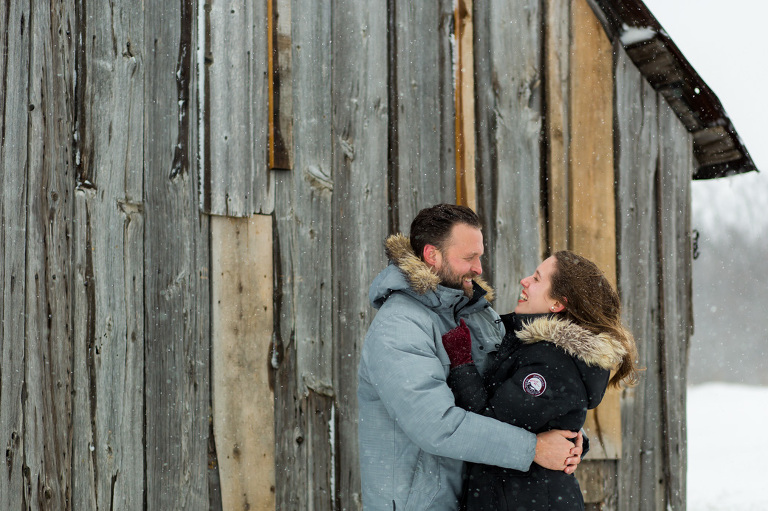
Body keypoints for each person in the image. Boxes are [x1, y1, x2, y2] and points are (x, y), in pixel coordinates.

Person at [357, 204, 584, 511]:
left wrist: (566, 433)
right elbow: (436, 426)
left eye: (480, 255)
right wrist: (534, 448)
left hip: (474, 498)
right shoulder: (399, 327)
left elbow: (509, 392)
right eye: (469, 258)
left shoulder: (475, 313)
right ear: (431, 256)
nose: (479, 268)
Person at [442, 251, 640, 510]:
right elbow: (537, 417)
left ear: (557, 304)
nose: (524, 281)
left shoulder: (551, 363)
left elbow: (485, 425)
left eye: (536, 279)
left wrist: (460, 362)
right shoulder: (530, 342)